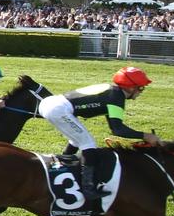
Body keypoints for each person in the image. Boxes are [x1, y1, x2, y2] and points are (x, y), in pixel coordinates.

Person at [39, 66, 162, 204]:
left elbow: (114, 126)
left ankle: (63, 167)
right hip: (58, 109)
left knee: (77, 140)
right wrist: (146, 136)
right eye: (140, 88)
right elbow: (118, 130)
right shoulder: (117, 96)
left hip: (52, 104)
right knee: (88, 143)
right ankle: (88, 189)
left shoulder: (113, 91)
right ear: (130, 87)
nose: (141, 92)